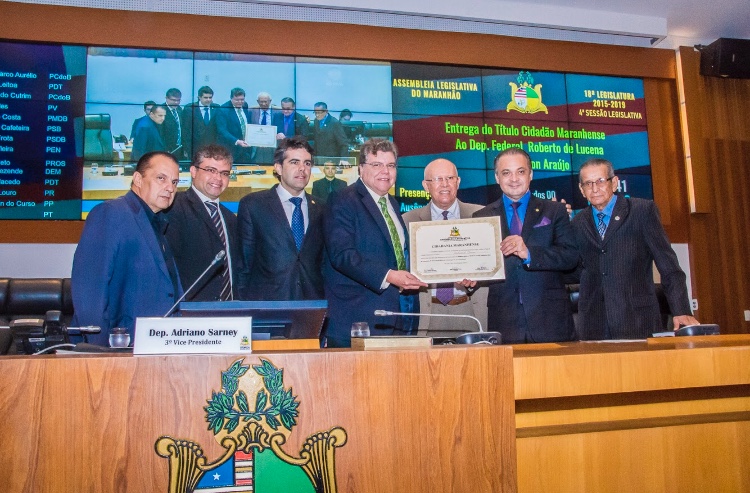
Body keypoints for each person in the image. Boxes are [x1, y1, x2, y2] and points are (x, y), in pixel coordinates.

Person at [571, 158, 699, 340]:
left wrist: (681, 310)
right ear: (581, 190)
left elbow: (668, 265)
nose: (594, 188)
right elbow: (575, 270)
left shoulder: (642, 211)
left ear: (614, 183)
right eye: (588, 184)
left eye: (600, 181)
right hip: (593, 324)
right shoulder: (577, 223)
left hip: (638, 319)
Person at [323, 138, 426, 347]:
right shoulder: (342, 200)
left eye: (390, 165)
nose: (385, 172)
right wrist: (389, 276)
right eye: (376, 165)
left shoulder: (392, 203)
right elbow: (342, 255)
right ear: (361, 169)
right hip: (357, 319)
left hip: (393, 316)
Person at [71, 151, 182, 346]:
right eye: (161, 178)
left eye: (174, 182)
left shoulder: (157, 223)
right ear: (138, 179)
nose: (169, 188)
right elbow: (90, 293)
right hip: (118, 352)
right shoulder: (111, 213)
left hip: (158, 349)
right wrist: (98, 352)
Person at [473, 148, 578, 343]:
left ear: (531, 175)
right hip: (504, 319)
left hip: (550, 318)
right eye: (506, 173)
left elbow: (570, 256)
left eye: (520, 171)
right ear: (497, 177)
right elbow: (480, 265)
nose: (514, 178)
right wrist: (471, 278)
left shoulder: (555, 211)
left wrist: (529, 253)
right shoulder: (481, 217)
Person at [403, 158, 488, 336]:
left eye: (450, 178)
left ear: (458, 182)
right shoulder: (407, 221)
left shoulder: (482, 215)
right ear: (426, 186)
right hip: (428, 312)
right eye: (437, 179)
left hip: (470, 309)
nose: (445, 184)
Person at [237, 136, 325, 301]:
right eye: (294, 162)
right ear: (278, 167)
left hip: (311, 306)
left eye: (307, 163)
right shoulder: (254, 205)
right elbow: (244, 265)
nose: (302, 169)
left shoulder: (321, 208)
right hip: (267, 307)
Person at [165, 144, 242, 301]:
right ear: (193, 171)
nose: (218, 178)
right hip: (191, 313)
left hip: (230, 313)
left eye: (224, 173)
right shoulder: (174, 208)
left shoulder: (231, 219)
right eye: (211, 170)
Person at [216, 87, 253, 164]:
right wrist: (237, 141)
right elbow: (222, 131)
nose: (240, 102)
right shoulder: (223, 109)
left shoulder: (245, 105)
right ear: (231, 98)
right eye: (237, 100)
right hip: (230, 149)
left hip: (246, 149)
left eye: (242, 99)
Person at [182, 86, 219, 156]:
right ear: (199, 97)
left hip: (212, 148)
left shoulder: (216, 108)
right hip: (195, 148)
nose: (208, 100)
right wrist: (187, 148)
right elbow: (186, 131)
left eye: (210, 97)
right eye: (205, 97)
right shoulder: (189, 109)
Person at [250, 91, 281, 165]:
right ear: (257, 101)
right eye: (261, 102)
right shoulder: (251, 111)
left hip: (272, 144)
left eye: (265, 101)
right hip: (257, 145)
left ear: (270, 101)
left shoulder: (278, 112)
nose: (263, 104)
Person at [162, 88, 185, 159]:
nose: (176, 103)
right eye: (173, 100)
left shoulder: (179, 109)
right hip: (166, 149)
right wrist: (164, 149)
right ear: (166, 98)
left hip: (179, 148)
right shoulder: (160, 110)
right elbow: (160, 133)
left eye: (178, 100)